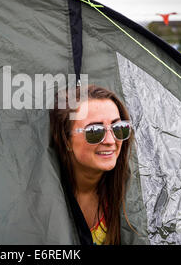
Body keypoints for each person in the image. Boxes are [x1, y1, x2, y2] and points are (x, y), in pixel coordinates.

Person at [50, 85, 135, 245]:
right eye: (95, 131)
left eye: (118, 128)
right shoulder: (46, 197)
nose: (111, 141)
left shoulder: (126, 193)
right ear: (66, 140)